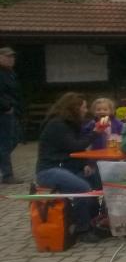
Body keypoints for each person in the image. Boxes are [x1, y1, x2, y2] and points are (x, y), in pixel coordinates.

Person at [36, 93, 107, 242]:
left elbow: (76, 150)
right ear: (74, 108)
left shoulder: (72, 124)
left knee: (97, 178)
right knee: (82, 188)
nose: (86, 110)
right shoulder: (57, 125)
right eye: (84, 107)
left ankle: (96, 219)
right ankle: (82, 229)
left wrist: (85, 163)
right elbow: (75, 146)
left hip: (69, 167)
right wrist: (95, 133)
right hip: (50, 170)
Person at [0, 47, 21, 184]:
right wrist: (6, 107)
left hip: (11, 111)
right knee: (5, 143)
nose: (11, 59)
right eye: (7, 56)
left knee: (14, 139)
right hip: (3, 112)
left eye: (12, 57)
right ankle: (7, 175)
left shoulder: (10, 73)